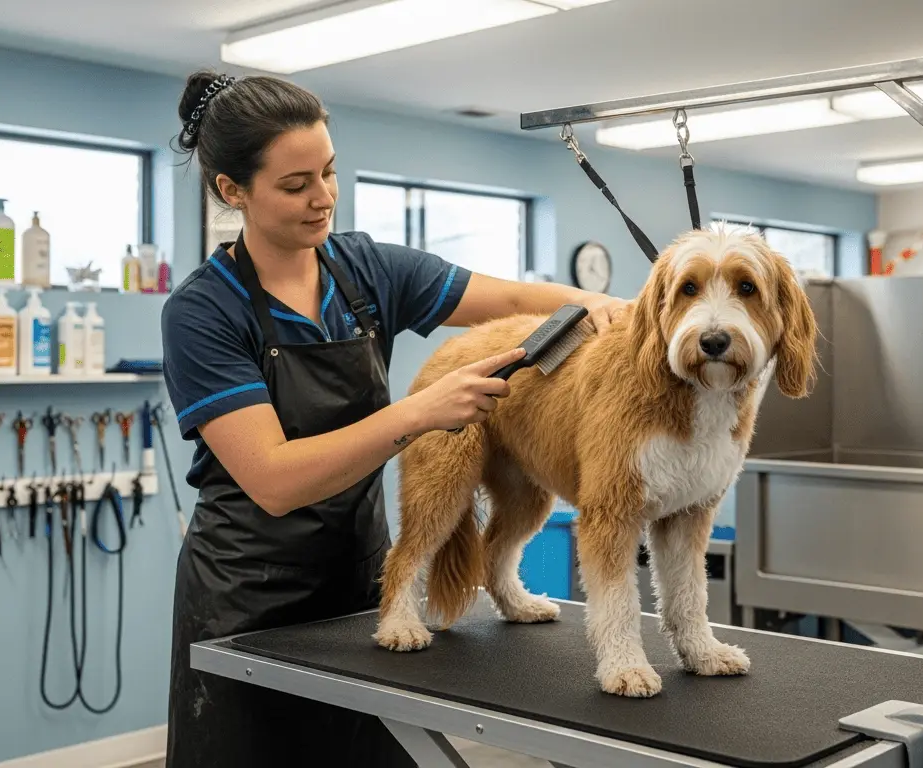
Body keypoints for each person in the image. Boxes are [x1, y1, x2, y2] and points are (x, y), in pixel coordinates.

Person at [161, 69, 630, 767]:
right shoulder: (203, 312)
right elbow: (275, 480)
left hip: (359, 583)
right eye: (295, 185)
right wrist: (419, 413)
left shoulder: (365, 271)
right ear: (233, 191)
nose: (323, 197)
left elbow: (511, 302)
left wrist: (603, 307)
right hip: (246, 603)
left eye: (329, 172)